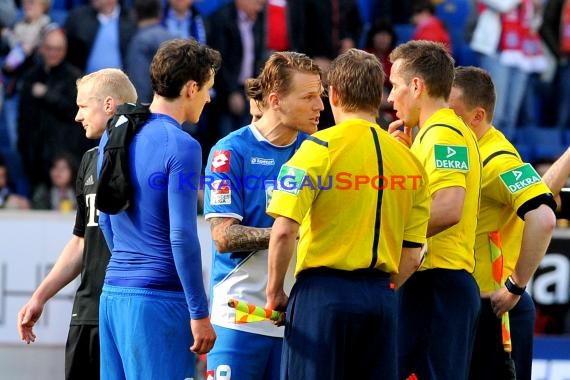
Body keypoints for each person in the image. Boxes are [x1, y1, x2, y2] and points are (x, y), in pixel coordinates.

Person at [265, 48, 431, 380]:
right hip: (381, 300)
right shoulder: (410, 161)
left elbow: (284, 231)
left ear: (336, 94)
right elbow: (413, 255)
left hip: (322, 297)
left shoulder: (316, 149)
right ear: (379, 97)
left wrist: (274, 293)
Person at [97, 38, 220, 380]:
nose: (209, 98)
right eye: (208, 89)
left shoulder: (115, 134)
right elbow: (181, 236)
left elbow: (105, 217)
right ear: (191, 88)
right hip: (158, 301)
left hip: (113, 297)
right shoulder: (183, 146)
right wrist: (199, 312)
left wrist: (128, 263)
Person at [203, 51, 324, 380]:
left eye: (321, 96)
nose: (320, 106)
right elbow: (224, 237)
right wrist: (286, 234)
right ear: (276, 100)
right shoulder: (231, 151)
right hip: (240, 316)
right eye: (309, 97)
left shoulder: (317, 152)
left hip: (295, 319)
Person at [17, 68, 138, 380]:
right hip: (87, 310)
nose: (76, 116)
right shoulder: (88, 160)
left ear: (109, 105)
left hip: (129, 307)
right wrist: (39, 296)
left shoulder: (143, 157)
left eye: (83, 106)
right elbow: (82, 240)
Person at [448, 66, 557, 380]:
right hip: (471, 304)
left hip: (494, 310)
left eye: (452, 113)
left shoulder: (496, 160)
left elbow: (544, 216)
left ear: (477, 116)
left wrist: (516, 285)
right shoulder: (462, 151)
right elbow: (544, 192)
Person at [386, 40, 482, 380]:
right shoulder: (435, 134)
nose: (390, 97)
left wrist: (385, 233)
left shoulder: (443, 134)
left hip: (437, 283)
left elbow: (448, 206)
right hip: (438, 285)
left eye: (395, 86)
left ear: (416, 86)